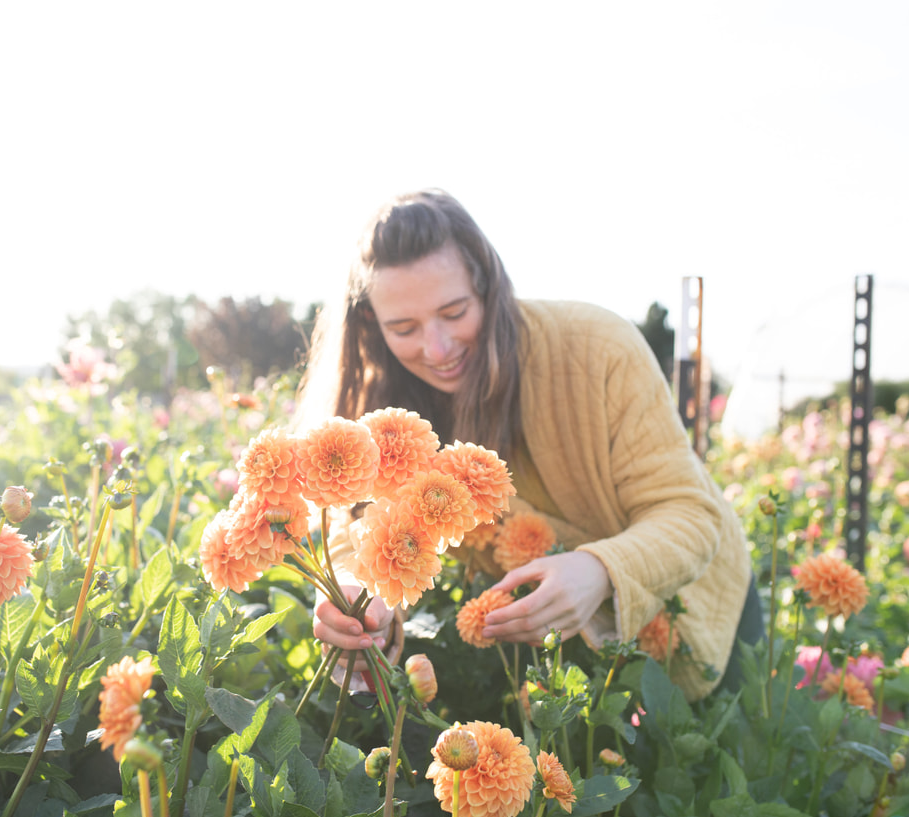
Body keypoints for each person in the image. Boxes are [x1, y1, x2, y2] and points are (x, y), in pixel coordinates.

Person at [300, 189, 759, 701]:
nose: (436, 349)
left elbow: (691, 514)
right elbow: (357, 523)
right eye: (403, 328)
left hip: (695, 604)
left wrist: (600, 570)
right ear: (369, 324)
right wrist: (357, 594)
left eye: (454, 313)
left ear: (488, 286)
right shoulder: (379, 396)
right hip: (549, 635)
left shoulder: (599, 348)